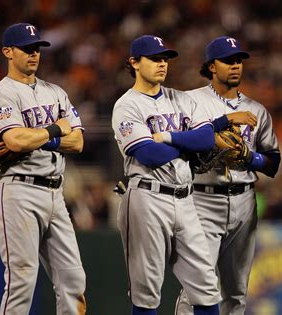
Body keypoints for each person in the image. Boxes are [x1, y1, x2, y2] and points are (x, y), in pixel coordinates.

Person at [111, 35, 221, 315]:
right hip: (147, 197)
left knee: (207, 290)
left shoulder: (182, 99)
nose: (162, 64)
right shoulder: (127, 105)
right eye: (154, 58)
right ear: (134, 63)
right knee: (146, 292)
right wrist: (187, 144)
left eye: (165, 59)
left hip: (186, 200)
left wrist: (168, 137)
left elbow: (207, 140)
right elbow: (149, 154)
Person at [175, 36, 281, 315]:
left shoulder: (257, 109)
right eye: (228, 61)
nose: (235, 66)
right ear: (211, 66)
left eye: (239, 61)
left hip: (245, 200)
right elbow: (180, 141)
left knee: (237, 292)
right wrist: (214, 133)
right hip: (202, 198)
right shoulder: (191, 101)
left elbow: (273, 163)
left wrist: (251, 158)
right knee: (198, 285)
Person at [0, 23, 86, 314]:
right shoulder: (2, 93)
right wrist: (55, 129)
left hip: (55, 193)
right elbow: (15, 141)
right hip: (18, 190)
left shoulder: (55, 91)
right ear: (7, 51)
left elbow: (77, 141)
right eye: (26, 49)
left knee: (73, 279)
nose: (33, 54)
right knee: (21, 282)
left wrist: (39, 137)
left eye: (37, 49)